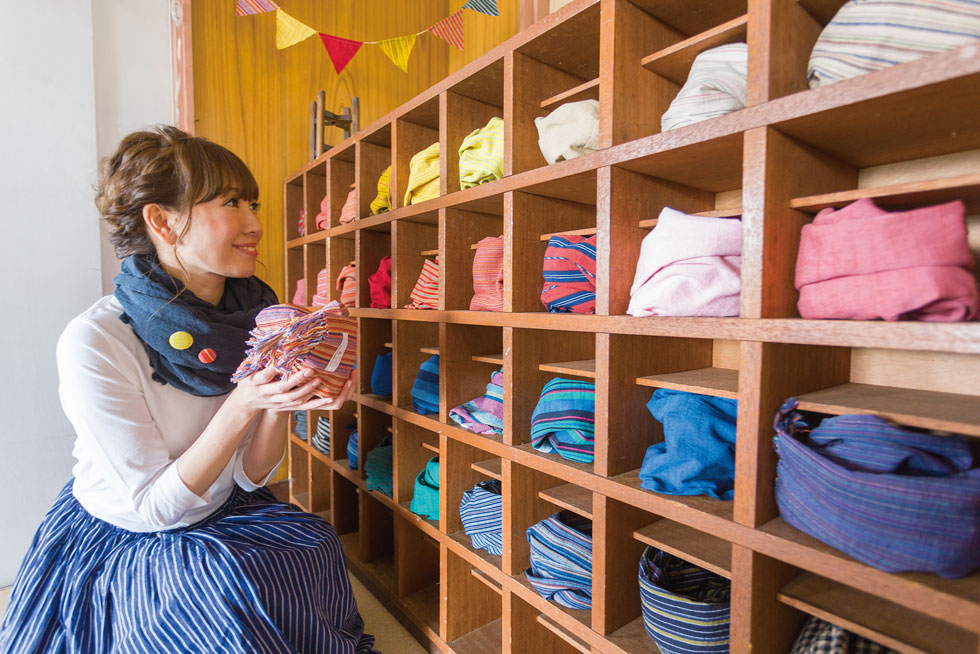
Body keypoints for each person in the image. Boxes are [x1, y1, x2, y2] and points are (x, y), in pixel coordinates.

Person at [0, 126, 376, 653]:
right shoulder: (96, 339)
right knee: (223, 592)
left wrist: (283, 401)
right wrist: (245, 399)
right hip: (131, 531)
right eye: (231, 203)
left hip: (218, 504)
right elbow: (154, 508)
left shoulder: (255, 318)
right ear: (161, 221)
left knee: (315, 543)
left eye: (254, 203)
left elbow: (250, 477)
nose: (255, 224)